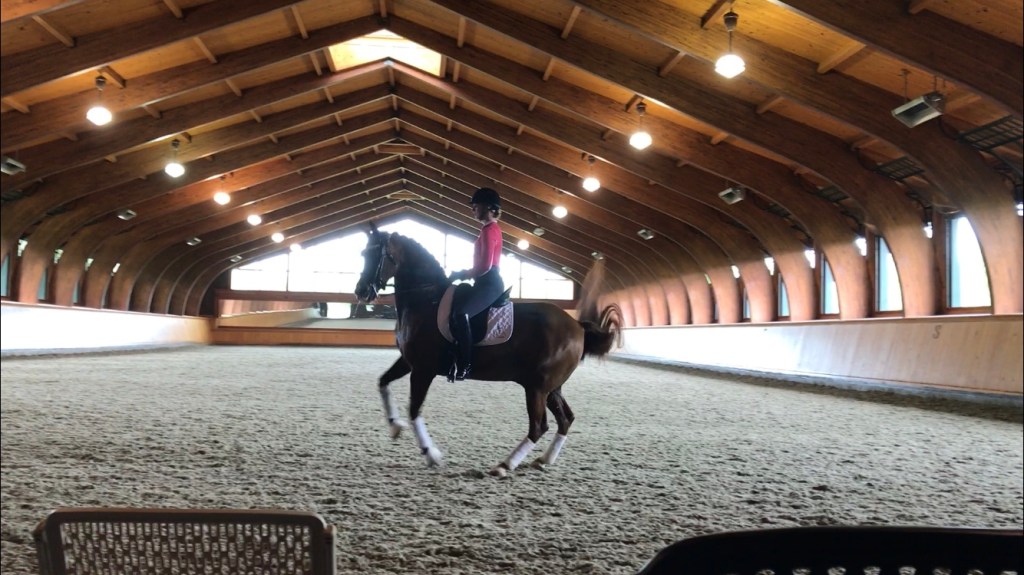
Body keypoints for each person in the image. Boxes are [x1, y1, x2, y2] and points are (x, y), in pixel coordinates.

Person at [447, 187, 505, 381]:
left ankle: (466, 363)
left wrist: (462, 273)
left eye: (475, 206)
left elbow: (484, 266)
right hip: (482, 283)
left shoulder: (490, 230)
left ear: (488, 207)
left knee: (461, 314)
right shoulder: (487, 230)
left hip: (489, 283)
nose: (473, 210)